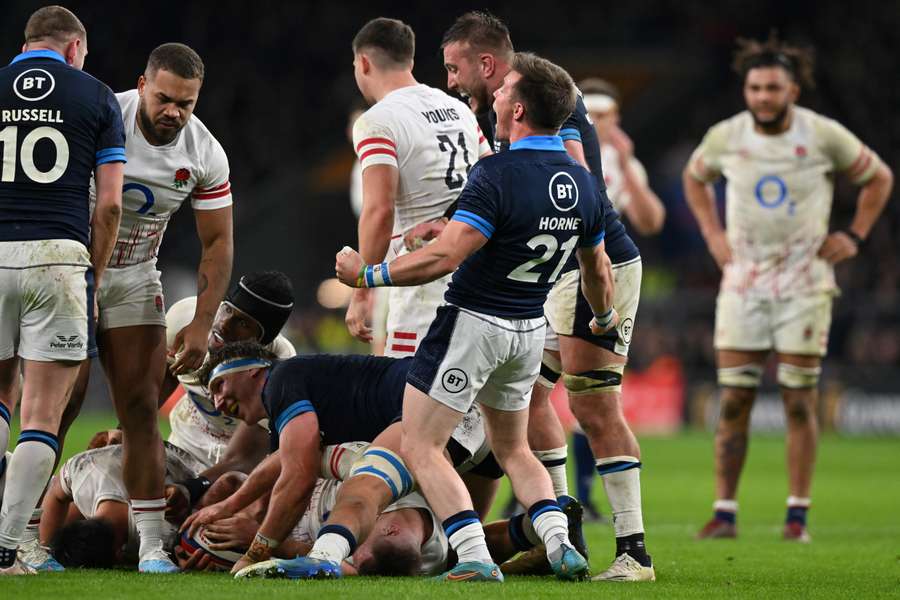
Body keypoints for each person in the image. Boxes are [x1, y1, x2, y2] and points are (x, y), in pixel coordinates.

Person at [262, 51, 614, 584]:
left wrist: (367, 277)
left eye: (505, 90)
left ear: (518, 110)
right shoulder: (583, 184)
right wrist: (605, 316)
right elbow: (598, 270)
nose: (494, 95)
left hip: (473, 325)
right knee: (515, 448)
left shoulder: (496, 172)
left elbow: (443, 259)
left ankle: (473, 555)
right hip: (527, 331)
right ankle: (561, 542)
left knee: (422, 445)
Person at [441, 12, 655, 581]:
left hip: (592, 261)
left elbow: (571, 181)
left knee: (592, 403)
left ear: (487, 65)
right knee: (526, 396)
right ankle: (560, 528)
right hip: (553, 269)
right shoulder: (511, 105)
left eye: (455, 67)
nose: (451, 81)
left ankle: (634, 553)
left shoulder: (538, 97)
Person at [683, 34, 893, 542]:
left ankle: (797, 513)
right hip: (745, 283)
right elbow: (695, 178)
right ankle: (724, 511)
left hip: (804, 284)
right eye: (754, 88)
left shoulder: (822, 135)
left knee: (800, 401)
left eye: (772, 88)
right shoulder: (727, 135)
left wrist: (855, 235)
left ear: (793, 90)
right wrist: (713, 234)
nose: (761, 97)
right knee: (734, 399)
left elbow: (879, 177)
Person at [52, 42, 234, 573]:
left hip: (135, 275)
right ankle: (17, 538)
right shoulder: (102, 113)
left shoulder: (204, 151)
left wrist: (202, 323)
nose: (173, 112)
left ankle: (152, 545)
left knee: (138, 407)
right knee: (60, 407)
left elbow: (218, 243)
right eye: (164, 98)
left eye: (186, 103)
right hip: (74, 269)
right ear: (141, 84)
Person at [182, 341, 488, 575]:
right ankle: (501, 550)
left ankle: (324, 558)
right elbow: (279, 468)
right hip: (459, 409)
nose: (219, 402)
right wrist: (229, 508)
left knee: (361, 492)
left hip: (429, 403)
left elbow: (298, 477)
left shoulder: (281, 380)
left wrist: (256, 550)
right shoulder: (294, 401)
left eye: (219, 385)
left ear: (254, 370)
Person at [0, 6, 125, 575]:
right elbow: (111, 203)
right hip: (58, 256)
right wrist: (93, 274)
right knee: (43, 414)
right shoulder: (96, 95)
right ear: (75, 48)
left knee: (1, 395)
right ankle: (6, 548)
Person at [343, 17, 490, 358]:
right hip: (478, 266)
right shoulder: (459, 109)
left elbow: (379, 209)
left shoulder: (376, 121)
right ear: (409, 60)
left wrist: (363, 285)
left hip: (421, 279)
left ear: (363, 63)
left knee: (408, 402)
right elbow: (492, 175)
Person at [570, 78, 666, 521]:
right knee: (539, 393)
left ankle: (580, 496)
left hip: (603, 280)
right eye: (598, 113)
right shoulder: (566, 151)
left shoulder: (618, 164)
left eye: (611, 113)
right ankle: (542, 498)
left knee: (591, 396)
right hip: (559, 275)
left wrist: (627, 163)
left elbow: (651, 219)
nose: (605, 121)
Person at [36, 441, 205, 568]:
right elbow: (56, 495)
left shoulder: (168, 531)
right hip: (145, 442)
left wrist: (187, 554)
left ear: (118, 554)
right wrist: (44, 549)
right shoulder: (81, 473)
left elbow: (224, 484)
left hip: (197, 465)